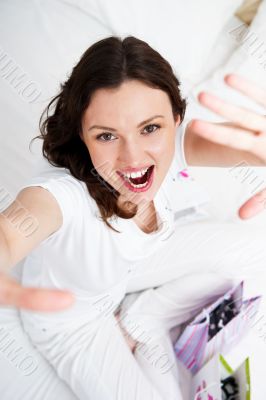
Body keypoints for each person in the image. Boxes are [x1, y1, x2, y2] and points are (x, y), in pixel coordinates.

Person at [0, 35, 265, 399]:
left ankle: (142, 318)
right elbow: (12, 231)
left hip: (126, 273)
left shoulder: (175, 145)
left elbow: (253, 151)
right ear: (82, 134)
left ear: (175, 119)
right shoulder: (65, 197)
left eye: (150, 128)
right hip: (76, 321)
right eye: (107, 136)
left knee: (258, 247)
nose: (134, 157)